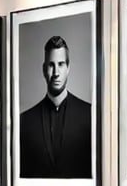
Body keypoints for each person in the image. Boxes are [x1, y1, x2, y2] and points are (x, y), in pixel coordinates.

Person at [19, 35, 92, 178]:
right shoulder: (24, 121)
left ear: (68, 68)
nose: (56, 73)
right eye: (51, 65)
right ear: (43, 69)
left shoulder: (90, 114)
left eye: (61, 64)